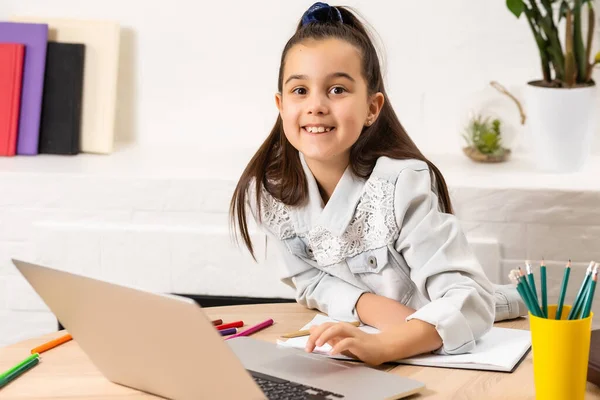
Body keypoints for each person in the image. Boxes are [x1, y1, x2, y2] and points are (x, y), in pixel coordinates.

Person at [230, 2, 525, 366]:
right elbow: (309, 281)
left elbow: (468, 299)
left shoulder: (402, 183)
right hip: (386, 328)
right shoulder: (271, 191)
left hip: (457, 330)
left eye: (337, 89)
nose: (316, 105)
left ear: (372, 107)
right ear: (280, 103)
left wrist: (387, 344)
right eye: (300, 90)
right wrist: (374, 310)